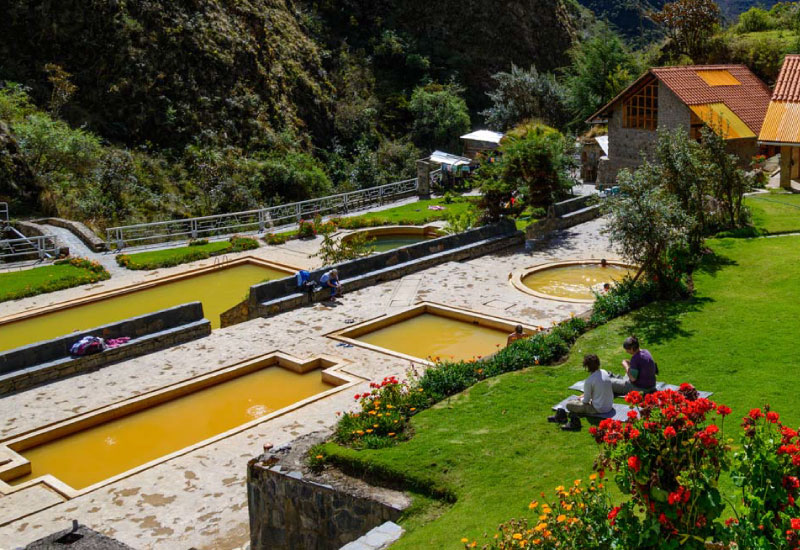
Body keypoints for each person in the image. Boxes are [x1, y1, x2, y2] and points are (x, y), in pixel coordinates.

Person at [548, 354, 614, 431]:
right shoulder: (604, 372)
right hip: (609, 405)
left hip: (599, 409)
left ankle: (562, 418)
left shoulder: (589, 381)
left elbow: (586, 401)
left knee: (569, 405)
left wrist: (581, 399)